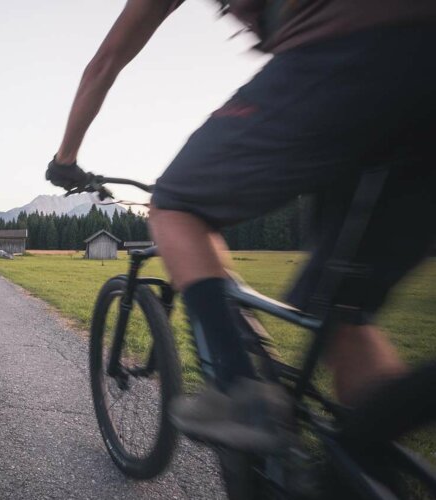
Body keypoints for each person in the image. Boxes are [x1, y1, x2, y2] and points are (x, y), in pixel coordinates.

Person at [47, 0, 436, 452]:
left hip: (348, 55)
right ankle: (368, 465)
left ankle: (238, 390)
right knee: (341, 313)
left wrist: (65, 160)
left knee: (174, 202)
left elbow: (107, 60)